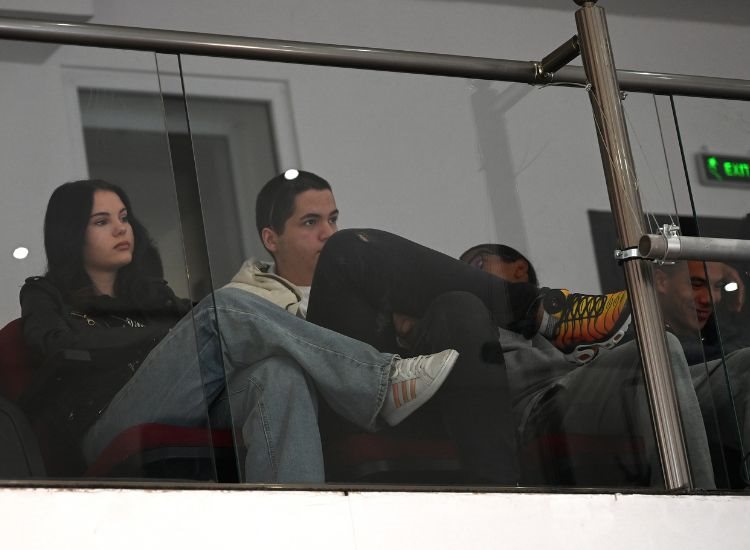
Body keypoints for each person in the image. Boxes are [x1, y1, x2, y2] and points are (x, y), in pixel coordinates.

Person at [20, 179, 458, 480]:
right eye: (102, 221)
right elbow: (53, 344)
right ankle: (381, 381)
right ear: (71, 234)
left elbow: (199, 327)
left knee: (278, 374)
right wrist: (159, 338)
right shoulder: (44, 292)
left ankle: (295, 526)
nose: (122, 228)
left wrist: (171, 335)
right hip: (102, 423)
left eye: (123, 217)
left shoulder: (151, 294)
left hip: (181, 402)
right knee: (222, 310)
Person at [236, 169, 631, 483]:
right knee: (348, 249)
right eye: (310, 222)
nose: (327, 231)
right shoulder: (246, 301)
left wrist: (407, 327)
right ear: (271, 238)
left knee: (459, 306)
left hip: (411, 400)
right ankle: (543, 311)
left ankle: (500, 489)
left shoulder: (368, 284)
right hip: (336, 409)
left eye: (332, 218)